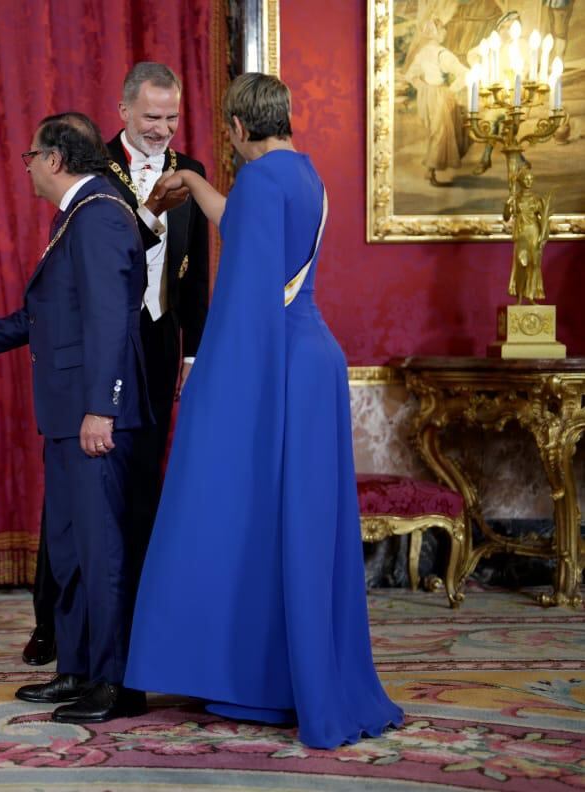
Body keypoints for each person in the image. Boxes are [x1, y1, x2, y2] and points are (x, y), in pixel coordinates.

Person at [125, 73, 405, 748]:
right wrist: (192, 185)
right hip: (315, 361)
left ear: (240, 129)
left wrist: (209, 383)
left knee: (235, 504)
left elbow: (248, 297)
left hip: (273, 362)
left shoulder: (258, 180)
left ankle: (257, 678)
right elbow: (258, 238)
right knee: (297, 523)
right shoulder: (308, 175)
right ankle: (292, 670)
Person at [0, 113, 151, 723]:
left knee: (103, 551)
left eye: (29, 156)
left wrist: (102, 406)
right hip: (69, 413)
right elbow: (45, 317)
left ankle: (115, 683)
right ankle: (77, 669)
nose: (24, 167)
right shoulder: (80, 213)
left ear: (54, 159)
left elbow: (109, 319)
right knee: (71, 548)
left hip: (94, 416)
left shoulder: (99, 213)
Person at [21, 62, 211, 668]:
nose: (162, 129)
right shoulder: (89, 165)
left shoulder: (194, 174)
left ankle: (131, 623)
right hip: (95, 346)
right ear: (124, 111)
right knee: (78, 493)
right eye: (152, 117)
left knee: (140, 486)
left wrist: (191, 350)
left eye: (173, 117)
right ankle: (54, 623)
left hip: (155, 341)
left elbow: (196, 275)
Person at [403, 16, 471, 186]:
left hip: (427, 96)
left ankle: (431, 171)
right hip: (439, 95)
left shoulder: (423, 53)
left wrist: (423, 88)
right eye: (441, 30)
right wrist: (451, 89)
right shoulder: (443, 54)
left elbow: (410, 75)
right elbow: (465, 73)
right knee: (440, 133)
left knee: (438, 132)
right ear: (436, 33)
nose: (444, 33)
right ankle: (431, 171)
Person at [504, 164, 552, 303]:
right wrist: (508, 203)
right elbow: (506, 217)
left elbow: (543, 219)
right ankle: (519, 297)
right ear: (520, 181)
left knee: (534, 265)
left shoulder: (537, 200)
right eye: (526, 179)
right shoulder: (516, 199)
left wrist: (544, 235)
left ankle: (530, 296)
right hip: (521, 233)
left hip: (534, 232)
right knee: (521, 264)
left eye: (531, 179)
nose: (529, 182)